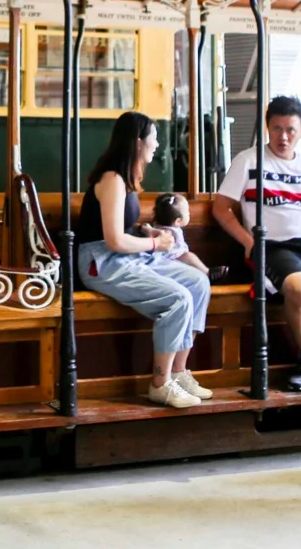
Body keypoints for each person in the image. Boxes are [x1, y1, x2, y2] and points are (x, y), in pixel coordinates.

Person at [74, 111, 211, 408]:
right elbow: (113, 240)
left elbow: (121, 230)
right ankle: (160, 384)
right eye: (154, 137)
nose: (157, 144)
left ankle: (178, 372)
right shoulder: (112, 179)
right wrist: (154, 243)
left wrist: (145, 232)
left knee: (198, 283)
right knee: (179, 298)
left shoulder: (124, 178)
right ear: (138, 142)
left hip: (125, 256)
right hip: (103, 263)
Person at [211, 93, 301, 392]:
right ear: (267, 128)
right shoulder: (249, 160)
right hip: (275, 246)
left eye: (291, 130)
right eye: (277, 129)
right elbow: (220, 207)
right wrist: (248, 241)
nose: (284, 136)